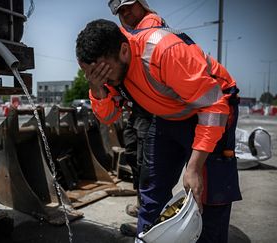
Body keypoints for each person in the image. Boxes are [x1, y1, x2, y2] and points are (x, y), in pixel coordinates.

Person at [76, 19, 242, 243]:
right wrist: (96, 88)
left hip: (213, 107)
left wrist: (194, 167)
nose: (101, 79)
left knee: (209, 194)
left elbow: (213, 107)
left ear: (124, 51)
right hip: (168, 115)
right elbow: (108, 116)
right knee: (151, 191)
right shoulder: (105, 72)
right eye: (92, 75)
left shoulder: (163, 52)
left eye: (104, 73)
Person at [104, 0, 167, 236]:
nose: (125, 12)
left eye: (129, 5)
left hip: (152, 112)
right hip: (136, 110)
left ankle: (151, 224)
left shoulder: (150, 29)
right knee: (133, 156)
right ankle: (145, 212)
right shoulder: (126, 35)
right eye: (120, 10)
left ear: (142, 4)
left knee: (148, 167)